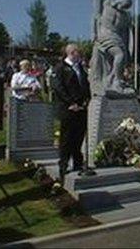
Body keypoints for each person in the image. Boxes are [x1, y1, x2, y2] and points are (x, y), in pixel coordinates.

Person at [52, 44, 91, 182]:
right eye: (78, 53)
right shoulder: (60, 68)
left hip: (81, 108)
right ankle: (63, 164)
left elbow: (85, 85)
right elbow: (58, 88)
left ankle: (78, 163)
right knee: (67, 138)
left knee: (79, 137)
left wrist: (87, 99)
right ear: (71, 53)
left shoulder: (79, 68)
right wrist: (70, 103)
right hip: (68, 108)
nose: (79, 55)